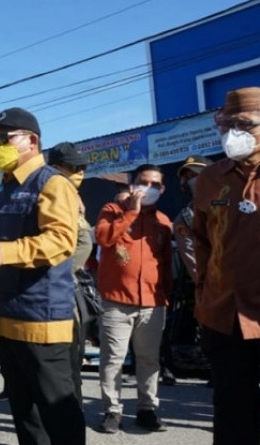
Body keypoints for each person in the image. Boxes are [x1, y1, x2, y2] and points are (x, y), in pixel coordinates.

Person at [0, 108, 85, 445]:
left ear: (32, 141)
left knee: (58, 415)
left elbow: (61, 241)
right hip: (6, 317)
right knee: (26, 415)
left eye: (5, 139)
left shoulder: (52, 182)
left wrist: (0, 253)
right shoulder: (7, 188)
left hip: (40, 319)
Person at [194, 86, 260, 444]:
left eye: (245, 124)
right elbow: (199, 239)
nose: (234, 134)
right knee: (233, 410)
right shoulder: (210, 178)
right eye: (226, 125)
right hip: (224, 315)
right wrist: (204, 290)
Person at [94, 163, 172, 434]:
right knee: (113, 358)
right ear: (132, 184)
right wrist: (131, 213)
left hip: (153, 302)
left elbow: (166, 262)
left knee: (149, 359)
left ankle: (147, 409)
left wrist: (165, 298)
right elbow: (103, 238)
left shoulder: (164, 222)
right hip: (117, 301)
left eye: (154, 185)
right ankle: (112, 411)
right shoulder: (112, 211)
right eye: (143, 182)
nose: (147, 188)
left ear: (162, 189)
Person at [47, 142, 93, 405]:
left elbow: (84, 243)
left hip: (63, 288)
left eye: (83, 168)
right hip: (55, 291)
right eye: (73, 168)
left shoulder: (70, 198)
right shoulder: (57, 192)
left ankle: (70, 409)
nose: (80, 173)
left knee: (69, 358)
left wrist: (58, 271)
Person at [162, 155, 213, 387]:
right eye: (189, 176)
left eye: (198, 174)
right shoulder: (185, 218)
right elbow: (194, 262)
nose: (194, 180)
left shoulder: (244, 199)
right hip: (216, 288)